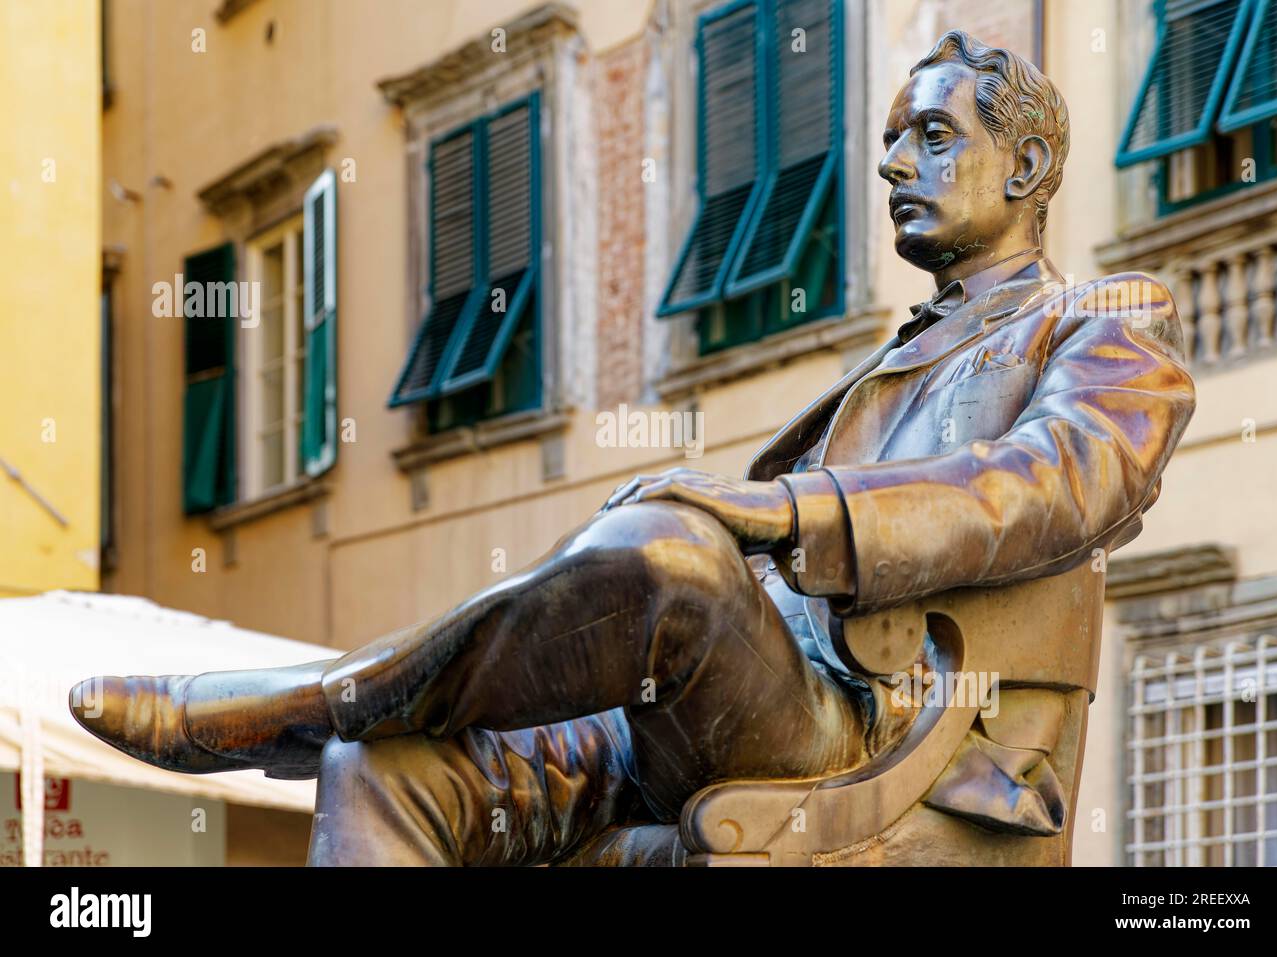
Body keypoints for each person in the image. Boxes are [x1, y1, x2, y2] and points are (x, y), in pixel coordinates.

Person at [71, 31, 1195, 866]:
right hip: (726, 715)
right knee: (384, 769)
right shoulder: (883, 363)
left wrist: (786, 510)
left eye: (933, 136)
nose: (894, 162)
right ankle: (349, 718)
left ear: (1029, 163)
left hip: (881, 746)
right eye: (890, 138)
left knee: (669, 550)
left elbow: (1051, 481)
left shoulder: (1103, 321)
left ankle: (320, 694)